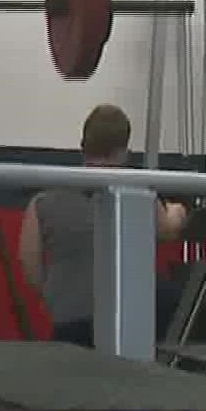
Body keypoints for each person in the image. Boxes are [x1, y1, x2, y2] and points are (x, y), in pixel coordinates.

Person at [18, 103, 190, 347]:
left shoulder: (42, 201)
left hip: (68, 324)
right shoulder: (136, 193)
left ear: (83, 146)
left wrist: (59, 296)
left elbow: (29, 265)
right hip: (126, 326)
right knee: (177, 302)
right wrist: (179, 210)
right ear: (123, 152)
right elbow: (168, 229)